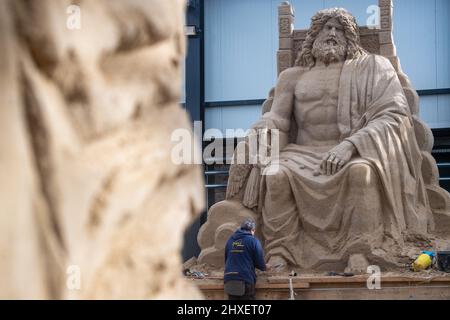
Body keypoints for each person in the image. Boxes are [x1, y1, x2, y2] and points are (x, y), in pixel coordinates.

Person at [227, 8, 433, 272]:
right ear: (314, 36)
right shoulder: (292, 76)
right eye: (326, 28)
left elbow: (393, 114)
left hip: (352, 151)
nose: (332, 33)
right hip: (301, 152)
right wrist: (263, 127)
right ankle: (281, 251)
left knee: (362, 173)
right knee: (275, 175)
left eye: (339, 29)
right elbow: (279, 119)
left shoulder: (372, 68)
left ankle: (358, 251)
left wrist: (351, 145)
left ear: (350, 37)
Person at [224, 218, 266, 300]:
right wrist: (265, 267)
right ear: (252, 230)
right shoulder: (253, 241)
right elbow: (260, 263)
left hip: (229, 279)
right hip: (245, 280)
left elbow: (227, 260)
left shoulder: (230, 240)